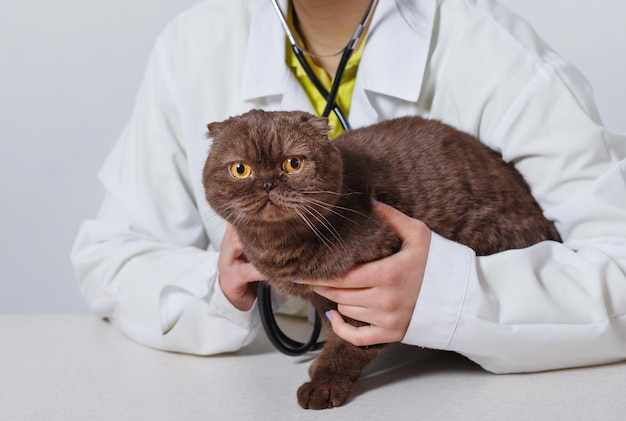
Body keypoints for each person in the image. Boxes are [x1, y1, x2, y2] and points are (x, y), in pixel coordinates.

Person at [72, 0, 626, 374]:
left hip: (456, 384)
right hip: (261, 381)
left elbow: (618, 265)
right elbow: (109, 257)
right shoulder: (194, 42)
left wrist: (454, 294)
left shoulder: (489, 46)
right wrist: (222, 286)